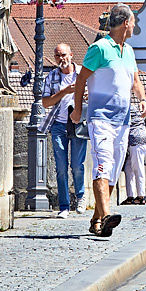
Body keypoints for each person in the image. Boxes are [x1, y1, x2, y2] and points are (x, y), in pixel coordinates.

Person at [71, 3, 146, 238]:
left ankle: (97, 218)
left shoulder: (129, 51)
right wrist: (78, 109)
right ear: (126, 23)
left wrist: (142, 100)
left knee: (112, 171)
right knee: (102, 163)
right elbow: (81, 80)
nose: (134, 25)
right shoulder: (99, 48)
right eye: (133, 21)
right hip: (100, 118)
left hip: (123, 120)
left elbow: (135, 81)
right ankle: (105, 217)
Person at [41, 43, 87, 216]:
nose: (62, 59)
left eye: (64, 55)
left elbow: (96, 94)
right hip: (58, 125)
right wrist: (65, 91)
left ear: (71, 55)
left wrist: (87, 95)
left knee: (76, 165)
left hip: (78, 123)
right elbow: (45, 103)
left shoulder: (83, 74)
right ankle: (64, 206)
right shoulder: (52, 76)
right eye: (58, 56)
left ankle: (80, 197)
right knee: (61, 168)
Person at [121, 96, 146, 205]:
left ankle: (141, 196)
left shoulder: (127, 109)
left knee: (138, 169)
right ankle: (130, 196)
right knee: (129, 169)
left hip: (136, 142)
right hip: (141, 142)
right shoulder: (137, 108)